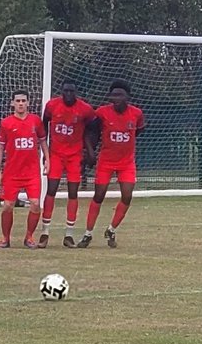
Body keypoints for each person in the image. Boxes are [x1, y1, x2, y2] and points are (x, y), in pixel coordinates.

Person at [79, 79, 145, 248]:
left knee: (127, 195)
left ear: (127, 97)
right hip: (106, 161)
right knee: (99, 195)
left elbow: (138, 131)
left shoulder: (136, 114)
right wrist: (90, 153)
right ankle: (88, 234)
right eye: (113, 95)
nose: (116, 98)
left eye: (120, 95)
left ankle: (112, 229)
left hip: (127, 162)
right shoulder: (101, 113)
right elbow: (89, 132)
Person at [39, 82, 95, 248]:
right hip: (56, 154)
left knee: (73, 192)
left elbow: (93, 128)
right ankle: (45, 232)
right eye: (66, 91)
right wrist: (45, 153)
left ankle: (69, 235)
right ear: (61, 92)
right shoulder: (52, 106)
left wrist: (89, 149)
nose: (69, 94)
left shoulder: (85, 109)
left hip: (74, 156)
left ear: (75, 92)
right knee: (51, 190)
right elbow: (44, 125)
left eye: (72, 91)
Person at [0, 90, 48, 249]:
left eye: (23, 100)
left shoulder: (35, 121)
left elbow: (43, 142)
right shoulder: (6, 123)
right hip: (12, 172)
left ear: (28, 103)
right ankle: (5, 238)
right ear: (12, 103)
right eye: (17, 101)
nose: (20, 103)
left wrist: (47, 159)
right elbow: (0, 149)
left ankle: (29, 237)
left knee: (35, 203)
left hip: (31, 172)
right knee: (8, 205)